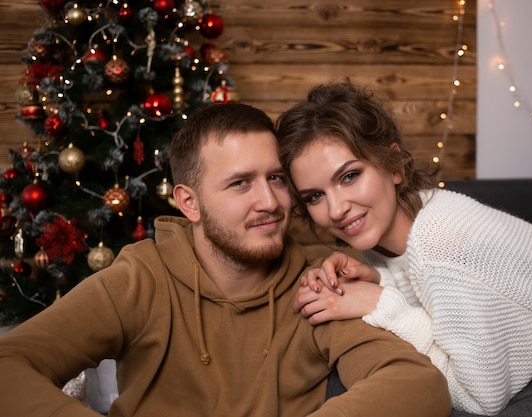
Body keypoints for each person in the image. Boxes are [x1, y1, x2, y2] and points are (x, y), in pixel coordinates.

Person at [0, 103, 452, 417]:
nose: (271, 202)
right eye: (240, 184)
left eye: (276, 178)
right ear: (189, 202)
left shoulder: (318, 281)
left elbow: (416, 384)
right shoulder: (141, 279)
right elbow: (10, 364)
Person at [275, 79, 532, 416]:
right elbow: (439, 301)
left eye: (350, 176)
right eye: (316, 196)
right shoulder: (405, 220)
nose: (336, 210)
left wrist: (383, 304)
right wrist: (378, 279)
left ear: (394, 165)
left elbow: (482, 396)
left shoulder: (441, 239)